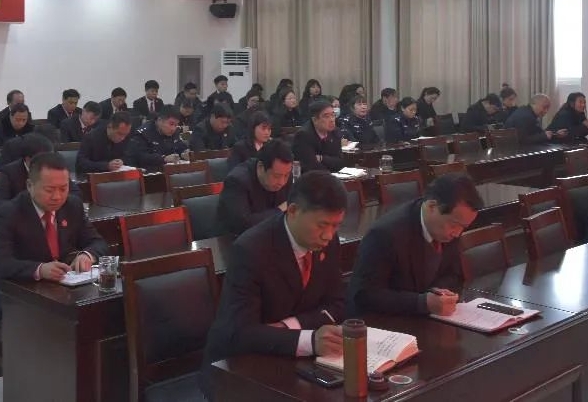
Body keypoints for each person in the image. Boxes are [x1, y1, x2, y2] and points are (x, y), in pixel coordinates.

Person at [201, 171, 347, 393]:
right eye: (322, 225)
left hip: (293, 362)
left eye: (336, 226)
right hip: (236, 368)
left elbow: (337, 304)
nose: (328, 235)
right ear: (293, 211)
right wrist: (310, 340)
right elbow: (241, 333)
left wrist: (289, 326)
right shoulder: (251, 250)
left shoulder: (329, 243)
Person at [347, 174, 483, 317]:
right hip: (382, 321)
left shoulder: (449, 227)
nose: (457, 233)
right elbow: (366, 294)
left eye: (464, 227)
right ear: (432, 207)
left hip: (425, 318)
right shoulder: (385, 234)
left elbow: (454, 275)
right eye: (454, 225)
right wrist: (421, 302)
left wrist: (440, 293)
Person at [0, 153, 108, 317]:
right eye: (49, 190)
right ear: (30, 186)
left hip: (62, 291)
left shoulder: (72, 206)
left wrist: (87, 255)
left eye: (63, 188)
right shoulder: (9, 213)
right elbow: (0, 263)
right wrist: (39, 269)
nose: (57, 196)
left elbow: (98, 243)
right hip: (17, 295)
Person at [217, 139, 294, 235]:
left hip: (271, 234)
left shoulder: (285, 174)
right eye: (276, 176)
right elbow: (242, 225)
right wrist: (279, 211)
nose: (282, 182)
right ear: (261, 167)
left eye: (286, 175)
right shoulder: (237, 181)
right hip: (233, 239)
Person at [0, 133, 57, 202]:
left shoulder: (57, 169)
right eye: (43, 159)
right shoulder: (9, 173)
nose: (48, 162)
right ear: (28, 159)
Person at [127, 106, 188, 172]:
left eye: (176, 125)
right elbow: (141, 156)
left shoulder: (173, 132)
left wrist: (184, 152)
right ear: (159, 120)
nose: (173, 128)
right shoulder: (144, 133)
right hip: (148, 172)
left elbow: (179, 145)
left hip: (170, 170)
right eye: (171, 124)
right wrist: (163, 159)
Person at [291, 101, 343, 173]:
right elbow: (311, 166)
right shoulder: (303, 135)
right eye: (326, 116)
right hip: (311, 177)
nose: (332, 120)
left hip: (333, 175)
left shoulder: (335, 132)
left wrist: (322, 158)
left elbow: (340, 162)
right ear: (315, 120)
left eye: (333, 115)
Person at [504, 94, 570, 145]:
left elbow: (538, 133)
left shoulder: (526, 111)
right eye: (544, 107)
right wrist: (544, 136)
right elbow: (522, 141)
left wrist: (555, 134)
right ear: (534, 104)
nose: (546, 111)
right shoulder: (525, 116)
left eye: (548, 108)